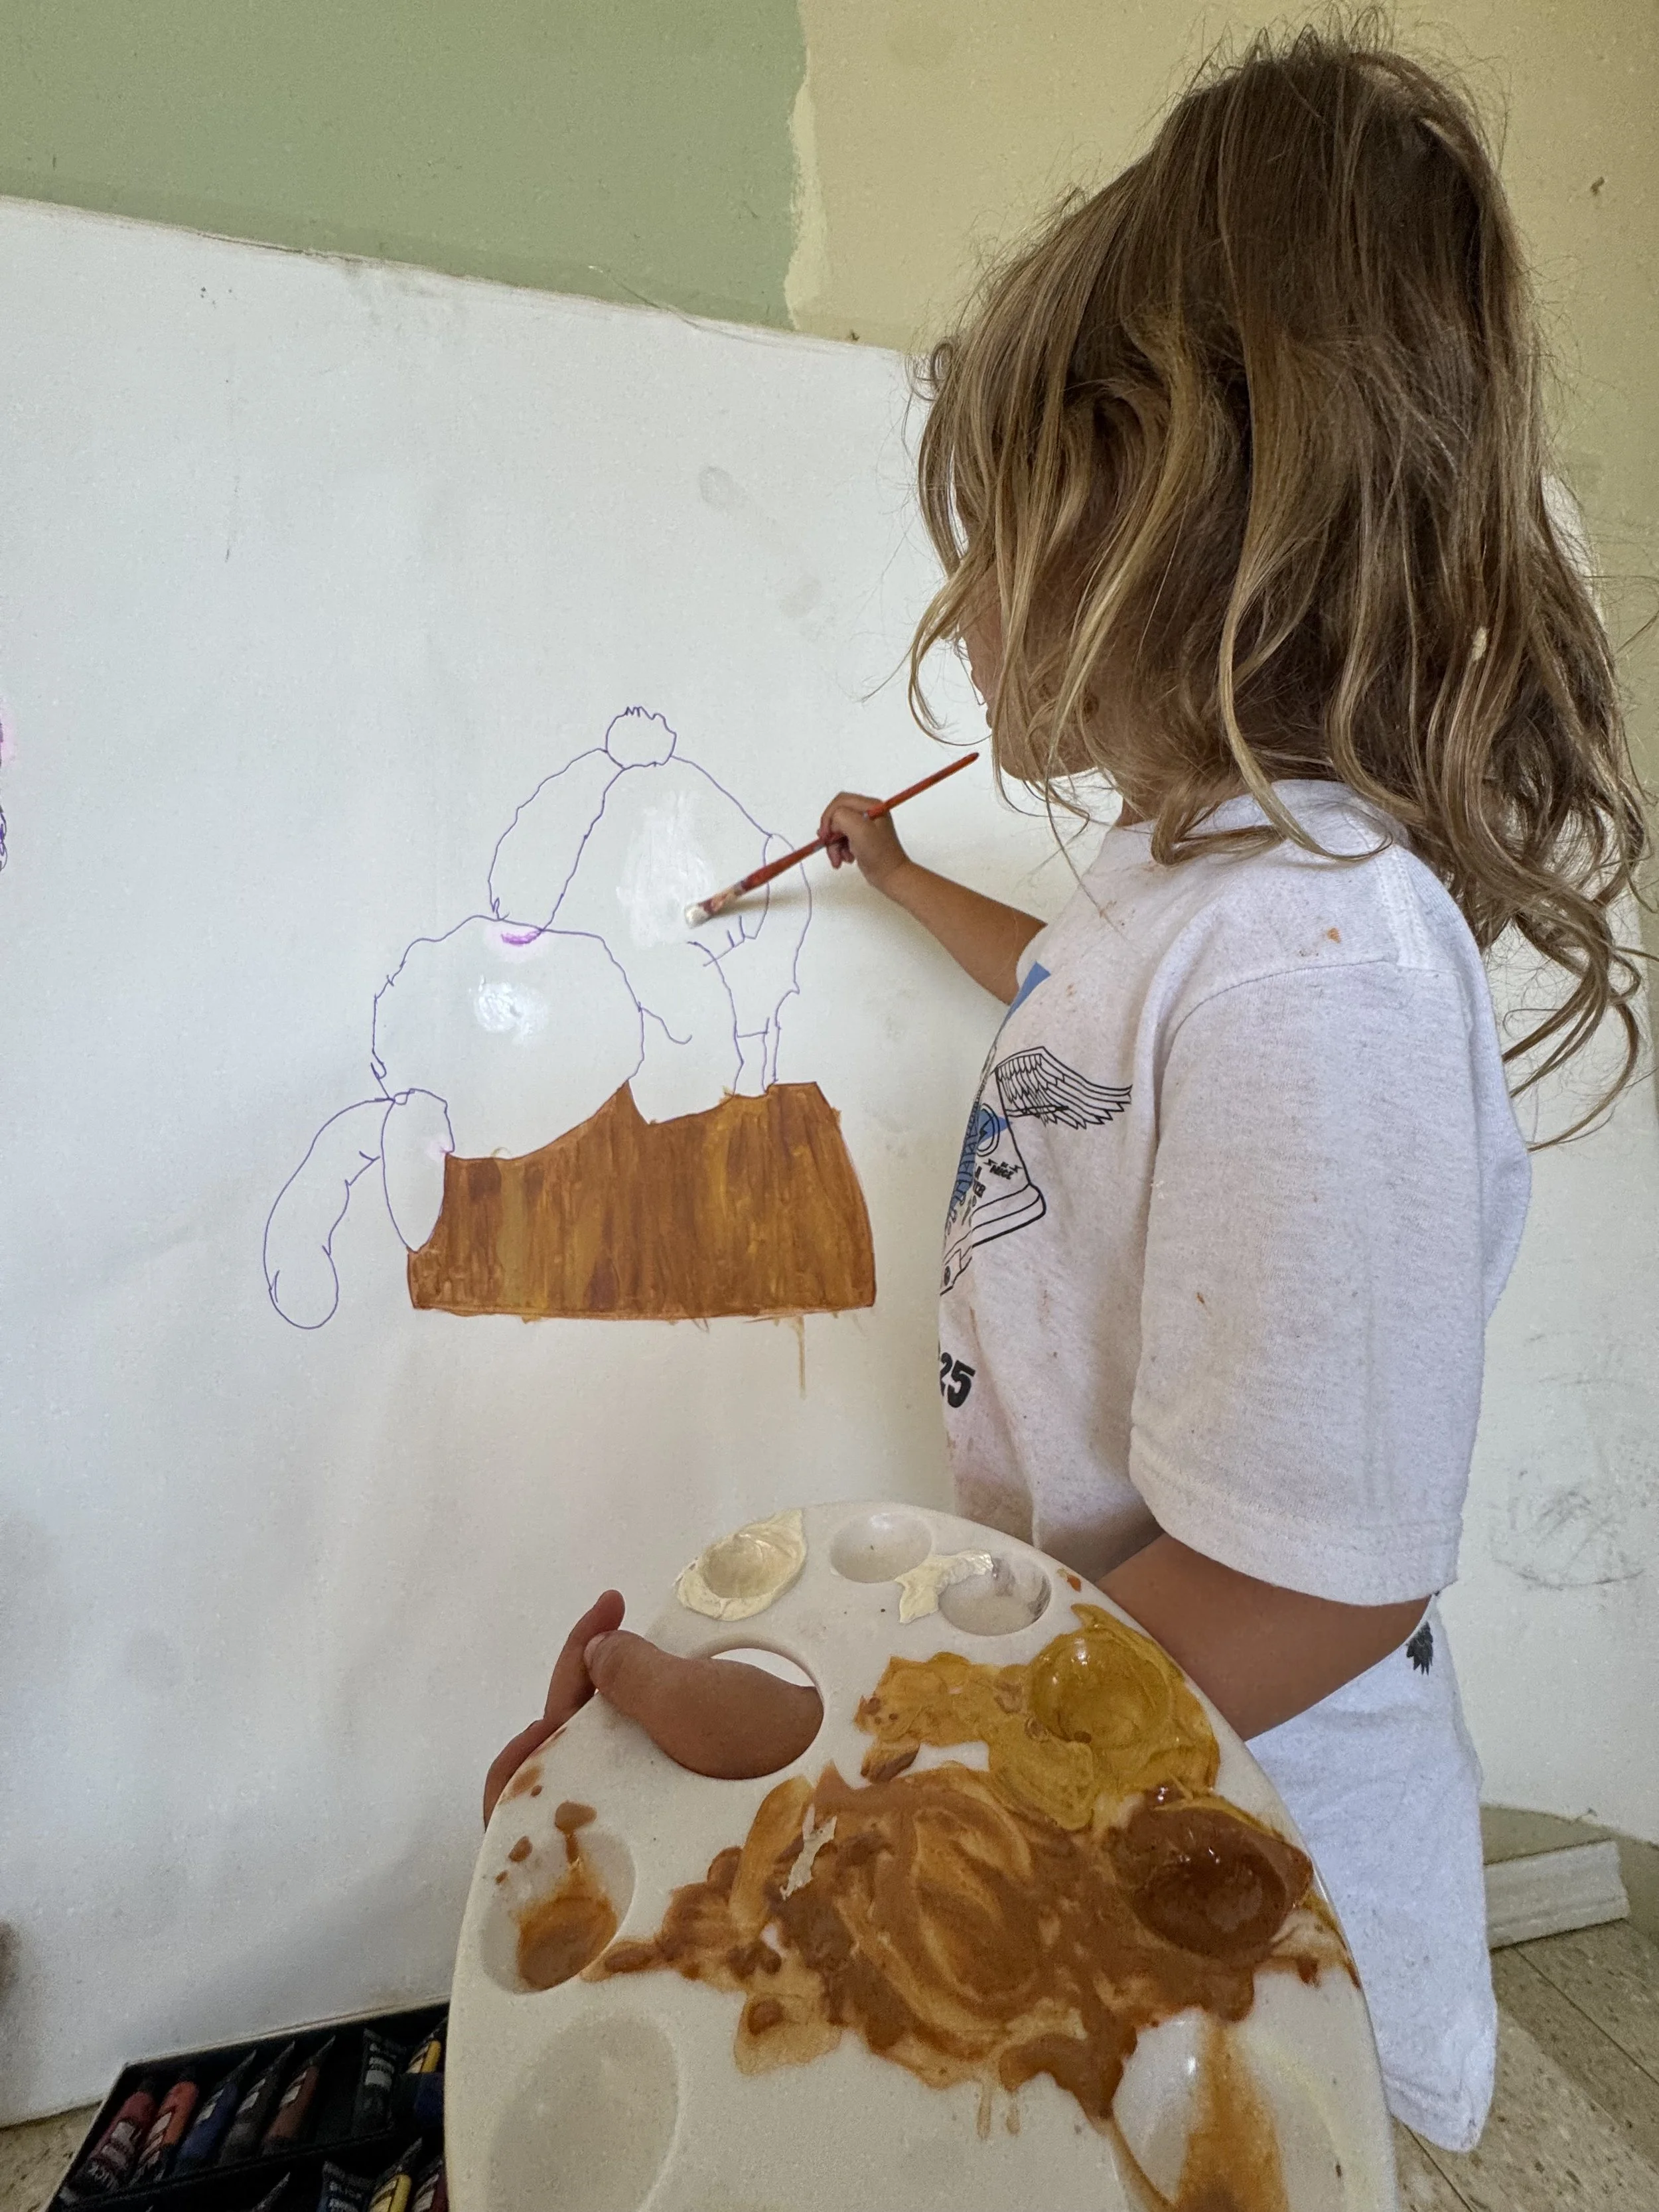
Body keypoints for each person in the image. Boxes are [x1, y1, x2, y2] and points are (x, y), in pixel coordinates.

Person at [482, 25, 1647, 2152]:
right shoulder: (1179, 895)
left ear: (1166, 501)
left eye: (991, 527)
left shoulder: (1321, 962)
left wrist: (839, 1763)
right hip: (1136, 1761)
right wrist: (897, 869)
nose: (956, 600)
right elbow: (1067, 1004)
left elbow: (1311, 1587)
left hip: (1273, 1916)